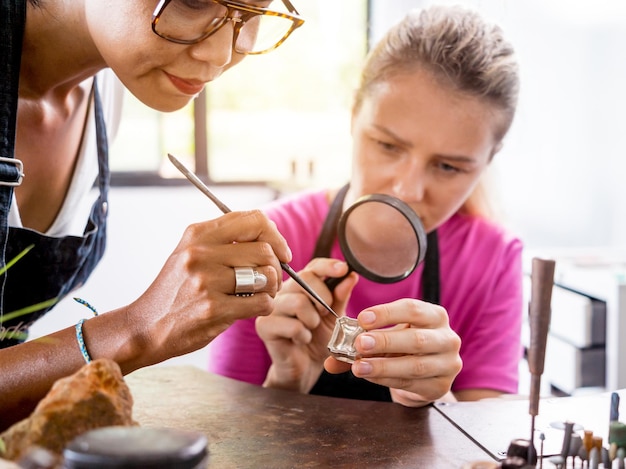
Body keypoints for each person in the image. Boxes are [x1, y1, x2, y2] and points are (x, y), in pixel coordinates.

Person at [0, 0, 304, 430]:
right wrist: (137, 330)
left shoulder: (106, 89)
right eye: (193, 1)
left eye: (253, 12)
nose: (218, 55)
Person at [208, 4, 523, 406]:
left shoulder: (494, 258)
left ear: (486, 163)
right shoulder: (268, 240)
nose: (407, 190)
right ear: (354, 116)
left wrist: (434, 399)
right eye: (388, 145)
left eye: (448, 167)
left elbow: (489, 454)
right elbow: (225, 451)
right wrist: (286, 384)